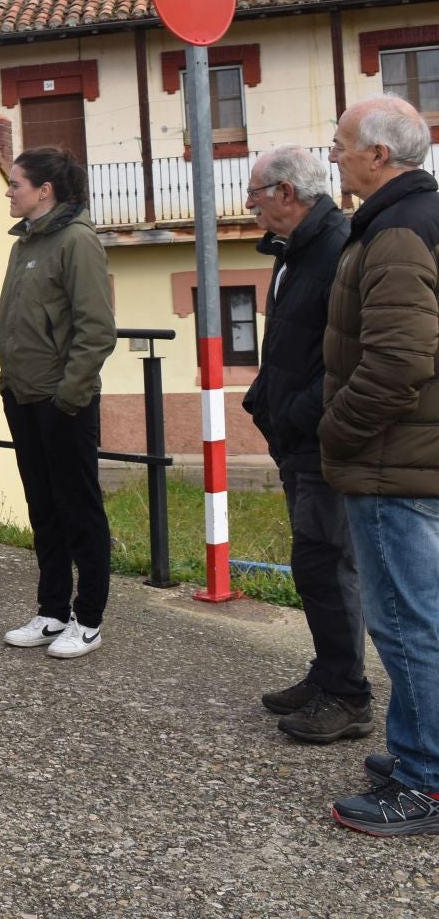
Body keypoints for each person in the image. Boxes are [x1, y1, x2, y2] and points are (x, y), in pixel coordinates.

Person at [320, 95, 439, 835]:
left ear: (379, 156)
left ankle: (426, 782)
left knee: (405, 623)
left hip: (392, 462)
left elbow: (399, 361)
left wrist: (338, 431)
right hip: (405, 458)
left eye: (340, 144)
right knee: (414, 619)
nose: (332, 155)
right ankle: (415, 752)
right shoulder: (410, 220)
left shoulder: (396, 232)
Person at [240, 147, 372, 744]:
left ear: (287, 193)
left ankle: (347, 696)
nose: (251, 203)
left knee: (326, 560)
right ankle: (327, 674)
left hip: (321, 436)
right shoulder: (298, 248)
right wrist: (266, 401)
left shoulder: (338, 248)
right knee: (312, 560)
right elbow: (291, 344)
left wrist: (294, 412)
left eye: (258, 193)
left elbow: (350, 353)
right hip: (297, 434)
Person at [0, 147, 116, 660]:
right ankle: (51, 611)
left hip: (61, 401)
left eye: (15, 183)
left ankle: (87, 619)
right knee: (42, 508)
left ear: (44, 190)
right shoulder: (24, 243)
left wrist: (69, 395)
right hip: (22, 395)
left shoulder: (77, 241)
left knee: (79, 509)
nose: (8, 191)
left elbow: (96, 330)